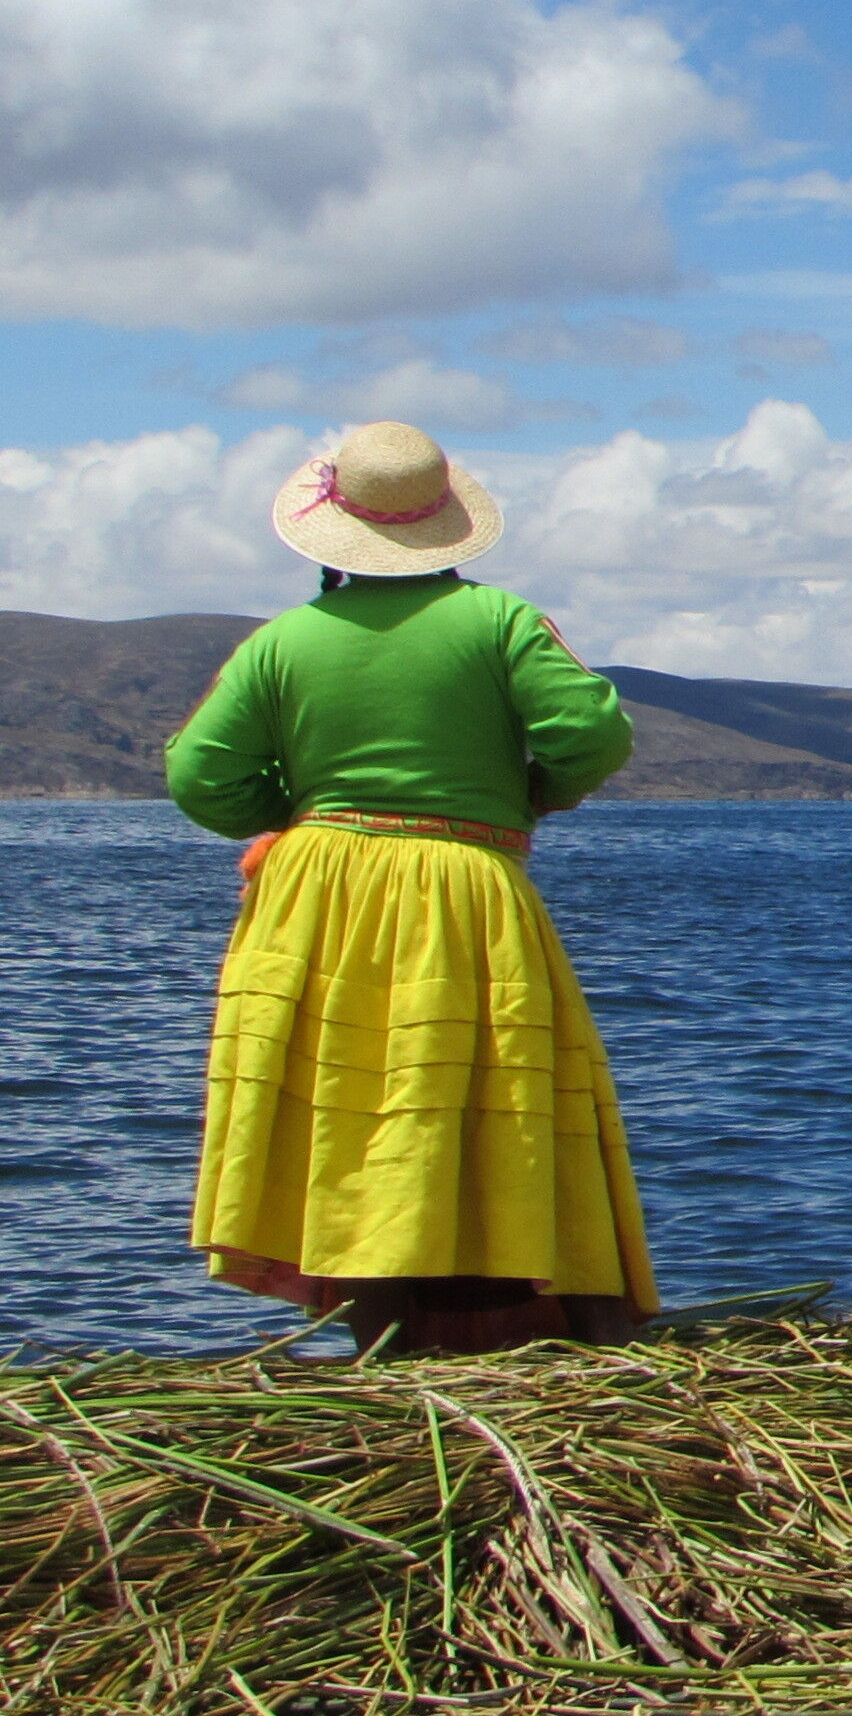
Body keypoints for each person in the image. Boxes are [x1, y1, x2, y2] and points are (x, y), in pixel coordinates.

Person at [163, 421, 651, 1355]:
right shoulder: (499, 621)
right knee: (510, 1094)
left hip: (316, 892)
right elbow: (593, 732)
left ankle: (379, 1346)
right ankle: (591, 1325)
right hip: (464, 881)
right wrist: (532, 794)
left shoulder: (283, 642)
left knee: (354, 1104)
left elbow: (199, 777)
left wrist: (299, 812)